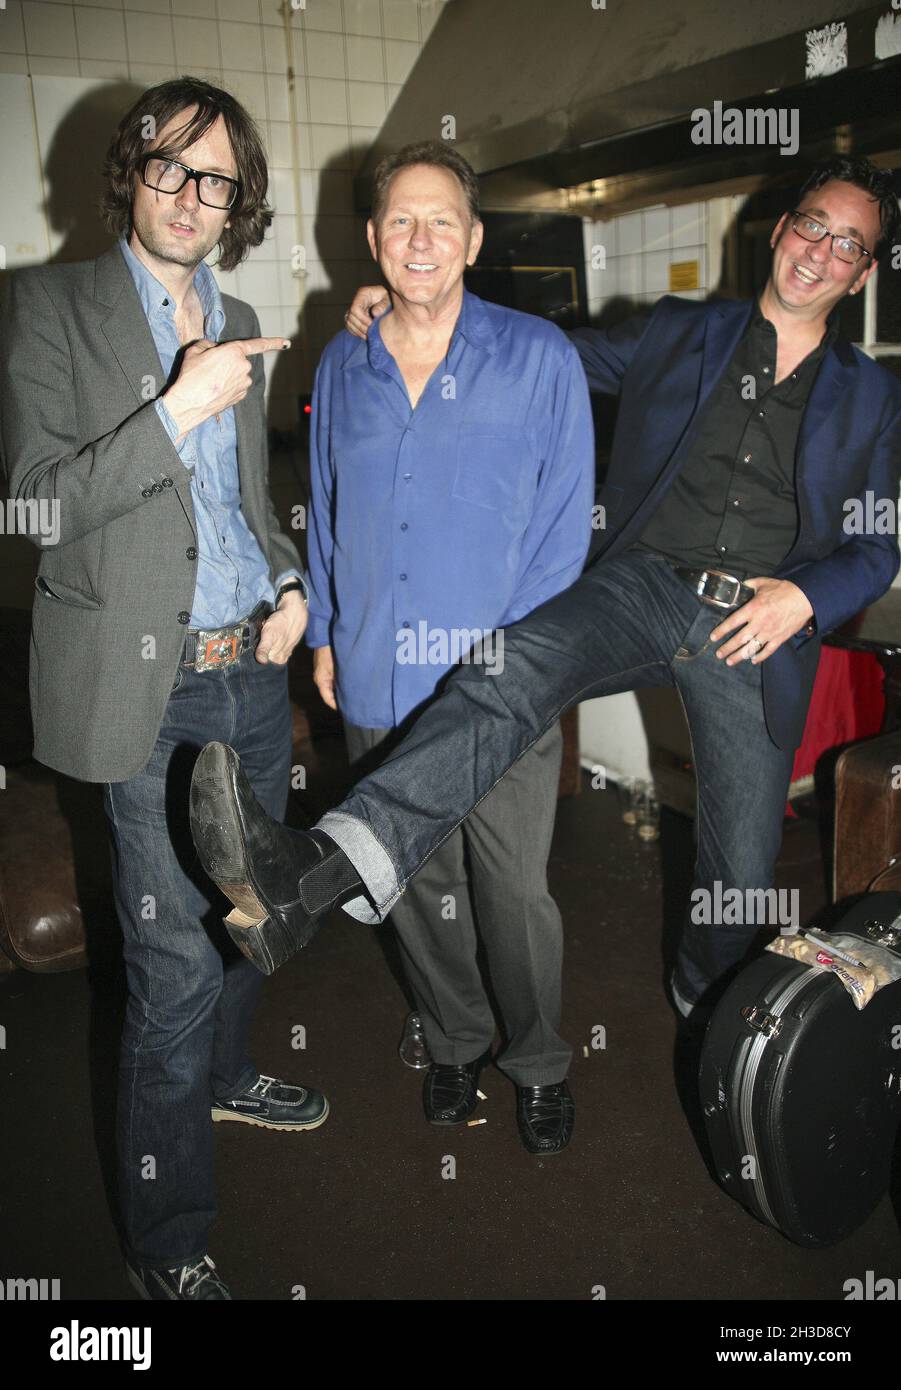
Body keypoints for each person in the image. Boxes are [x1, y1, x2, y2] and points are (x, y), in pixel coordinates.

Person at [189, 155, 901, 1034]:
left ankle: (705, 1014)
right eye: (810, 226)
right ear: (781, 228)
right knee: (510, 665)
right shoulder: (680, 331)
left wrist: (800, 597)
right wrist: (411, 301)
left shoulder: (872, 396)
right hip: (642, 587)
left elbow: (877, 542)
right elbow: (525, 345)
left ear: (864, 270)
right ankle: (326, 863)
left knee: (741, 865)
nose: (818, 252)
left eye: (847, 245)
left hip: (756, 624)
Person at [1, 77, 326, 1301]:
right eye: (172, 169)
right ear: (130, 173)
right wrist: (176, 404)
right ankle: (166, 1241)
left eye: (220, 180)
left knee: (256, 911)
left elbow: (241, 513)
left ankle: (232, 1078)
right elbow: (29, 503)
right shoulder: (46, 307)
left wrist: (291, 587)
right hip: (138, 685)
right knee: (174, 966)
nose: (194, 198)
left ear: (239, 202)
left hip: (248, 668)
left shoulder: (238, 307)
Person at [305, 141, 594, 1152]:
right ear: (376, 241)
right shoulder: (343, 360)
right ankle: (454, 1040)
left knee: (512, 894)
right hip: (380, 673)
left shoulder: (538, 357)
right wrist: (333, 632)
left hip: (500, 687)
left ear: (472, 240)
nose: (419, 239)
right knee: (416, 888)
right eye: (399, 221)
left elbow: (563, 536)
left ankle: (540, 1060)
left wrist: (520, 668)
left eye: (440, 221)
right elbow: (329, 514)